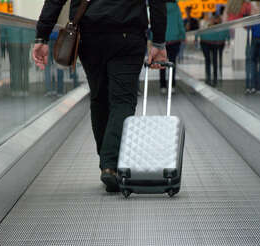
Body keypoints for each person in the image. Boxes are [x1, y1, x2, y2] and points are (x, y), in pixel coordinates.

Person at [33, 0, 167, 193]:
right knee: (123, 100)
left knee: (99, 97)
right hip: (128, 35)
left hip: (90, 36)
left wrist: (41, 37)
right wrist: (159, 42)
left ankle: (107, 164)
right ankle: (110, 164)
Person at [160, 0, 185, 95]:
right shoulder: (175, 6)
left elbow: (157, 22)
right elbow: (180, 22)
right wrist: (182, 35)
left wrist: (154, 37)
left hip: (162, 40)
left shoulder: (160, 6)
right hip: (175, 40)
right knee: (172, 63)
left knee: (162, 63)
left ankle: (162, 86)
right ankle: (172, 85)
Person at [195, 15, 229, 87]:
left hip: (211, 43)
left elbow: (227, 34)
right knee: (211, 60)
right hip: (210, 43)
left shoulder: (217, 25)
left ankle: (212, 79)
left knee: (212, 60)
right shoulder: (207, 23)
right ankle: (211, 78)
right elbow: (227, 34)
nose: (215, 21)